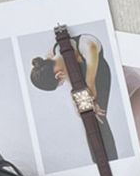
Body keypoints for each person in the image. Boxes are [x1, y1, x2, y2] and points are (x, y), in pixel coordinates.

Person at [29, 32, 118, 161]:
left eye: (60, 83)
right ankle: (98, 161)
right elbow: (75, 92)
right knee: (86, 118)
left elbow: (90, 86)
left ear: (59, 75)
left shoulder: (87, 46)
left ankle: (112, 160)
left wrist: (91, 103)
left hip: (98, 75)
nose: (63, 83)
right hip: (81, 80)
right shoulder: (50, 60)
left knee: (98, 117)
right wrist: (80, 108)